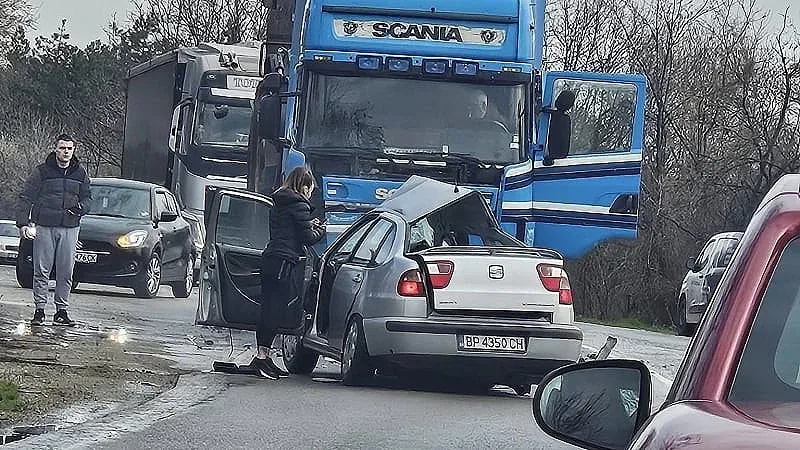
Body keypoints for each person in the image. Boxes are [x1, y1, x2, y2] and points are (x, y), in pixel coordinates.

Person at [253, 165, 326, 379]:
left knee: (268, 308)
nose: (311, 193)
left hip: (272, 258)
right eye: (310, 188)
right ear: (304, 186)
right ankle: (262, 357)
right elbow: (308, 238)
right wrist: (321, 229)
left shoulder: (282, 202)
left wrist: (308, 224)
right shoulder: (299, 205)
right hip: (284, 262)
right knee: (274, 311)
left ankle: (264, 357)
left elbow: (291, 228)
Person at [16, 133, 91, 327]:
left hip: (70, 227)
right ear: (55, 149)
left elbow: (88, 198)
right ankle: (39, 310)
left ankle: (61, 311)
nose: (66, 152)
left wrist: (81, 208)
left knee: (66, 271)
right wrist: (23, 223)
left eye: (69, 148)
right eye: (62, 148)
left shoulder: (80, 173)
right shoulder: (42, 171)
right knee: (41, 269)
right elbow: (26, 197)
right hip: (45, 225)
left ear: (73, 150)